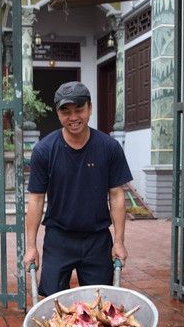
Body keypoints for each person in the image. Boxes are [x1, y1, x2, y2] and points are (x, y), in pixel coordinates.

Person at [23, 81, 132, 297]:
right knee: (52, 303)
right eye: (66, 112)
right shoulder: (44, 151)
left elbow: (117, 195)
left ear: (89, 108)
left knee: (99, 302)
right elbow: (36, 199)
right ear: (58, 113)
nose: (73, 118)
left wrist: (119, 242)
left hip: (97, 240)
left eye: (79, 109)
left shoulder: (109, 148)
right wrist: (31, 247)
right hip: (58, 239)